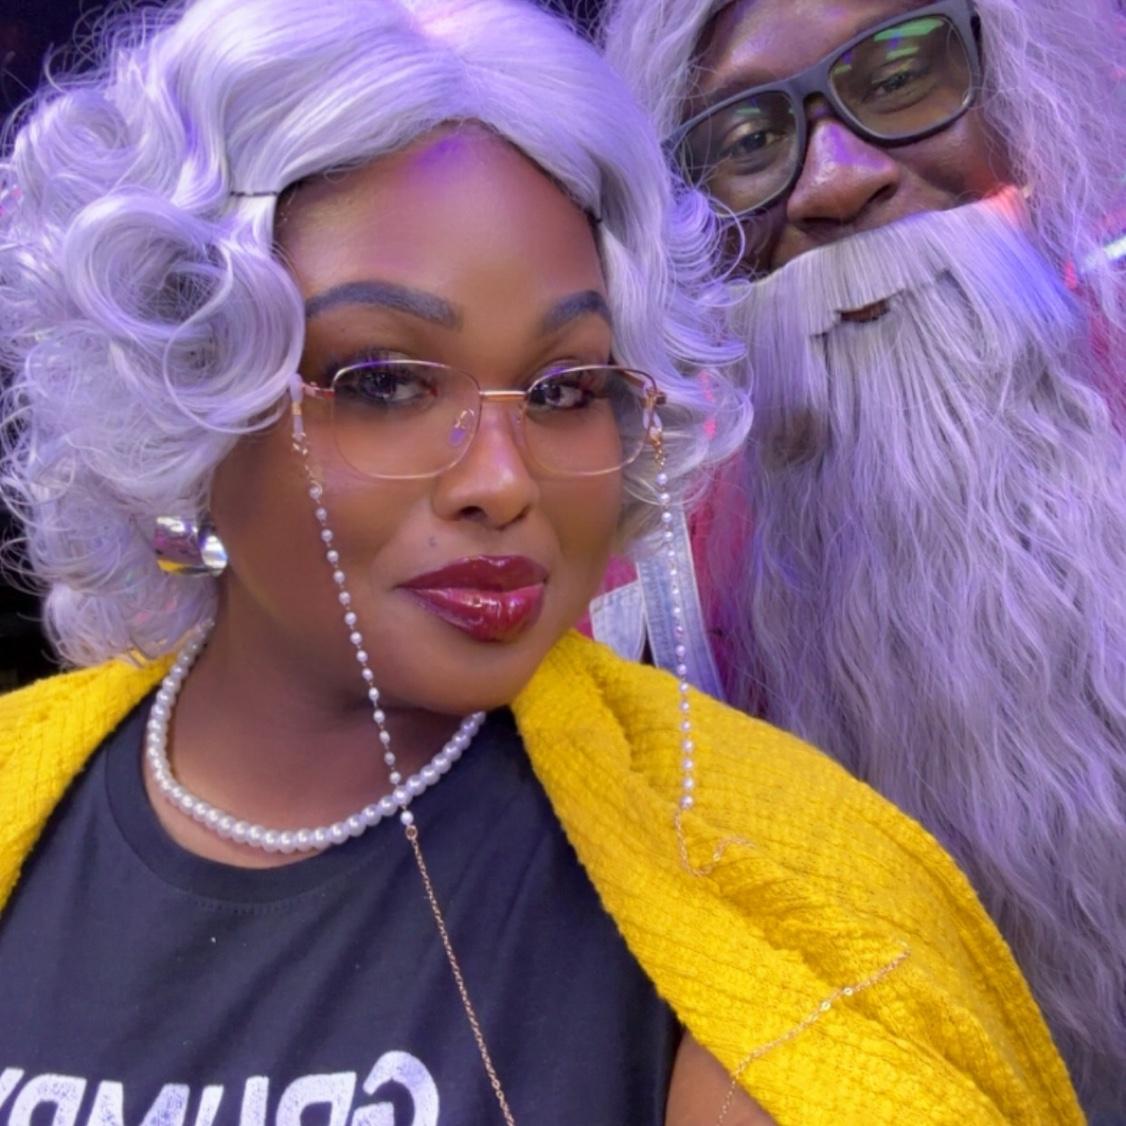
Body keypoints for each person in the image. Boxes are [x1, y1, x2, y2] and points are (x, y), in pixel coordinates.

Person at [0, 0, 1082, 1121]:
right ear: (182, 391)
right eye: (385, 382)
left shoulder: (780, 913)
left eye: (566, 389)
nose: (504, 480)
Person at [602, 0, 1126, 1115]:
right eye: (748, 139)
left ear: (1021, 87)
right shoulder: (644, 575)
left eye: (898, 74)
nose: (837, 181)